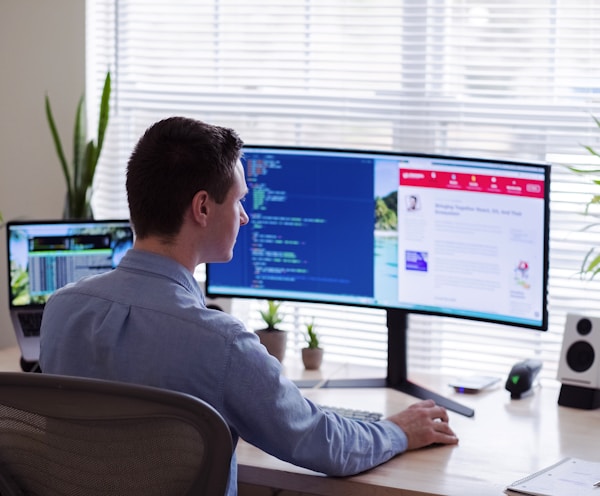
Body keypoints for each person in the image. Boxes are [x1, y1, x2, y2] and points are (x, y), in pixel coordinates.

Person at [40, 116, 458, 496]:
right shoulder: (220, 343)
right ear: (203, 207)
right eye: (239, 201)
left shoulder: (61, 310)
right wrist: (398, 431)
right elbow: (321, 442)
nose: (244, 218)